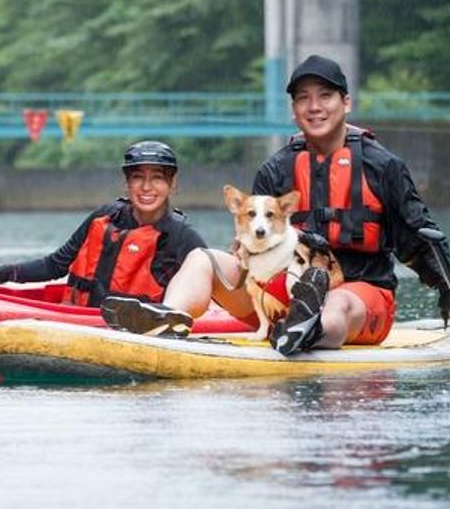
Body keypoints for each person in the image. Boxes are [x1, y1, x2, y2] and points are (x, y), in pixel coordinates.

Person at [104, 54, 450, 356]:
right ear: (294, 110)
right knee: (201, 258)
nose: (314, 107)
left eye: (325, 96)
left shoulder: (383, 167)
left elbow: (418, 240)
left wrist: (446, 287)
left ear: (346, 103)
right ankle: (167, 319)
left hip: (361, 297)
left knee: (336, 305)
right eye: (303, 99)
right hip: (279, 295)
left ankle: (306, 331)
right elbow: (250, 248)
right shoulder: (275, 170)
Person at [0, 140, 210, 335]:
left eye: (157, 177)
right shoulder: (104, 217)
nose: (146, 187)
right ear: (127, 183)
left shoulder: (182, 237)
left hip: (136, 332)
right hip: (78, 321)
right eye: (138, 177)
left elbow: (207, 293)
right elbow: (55, 265)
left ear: (172, 184)